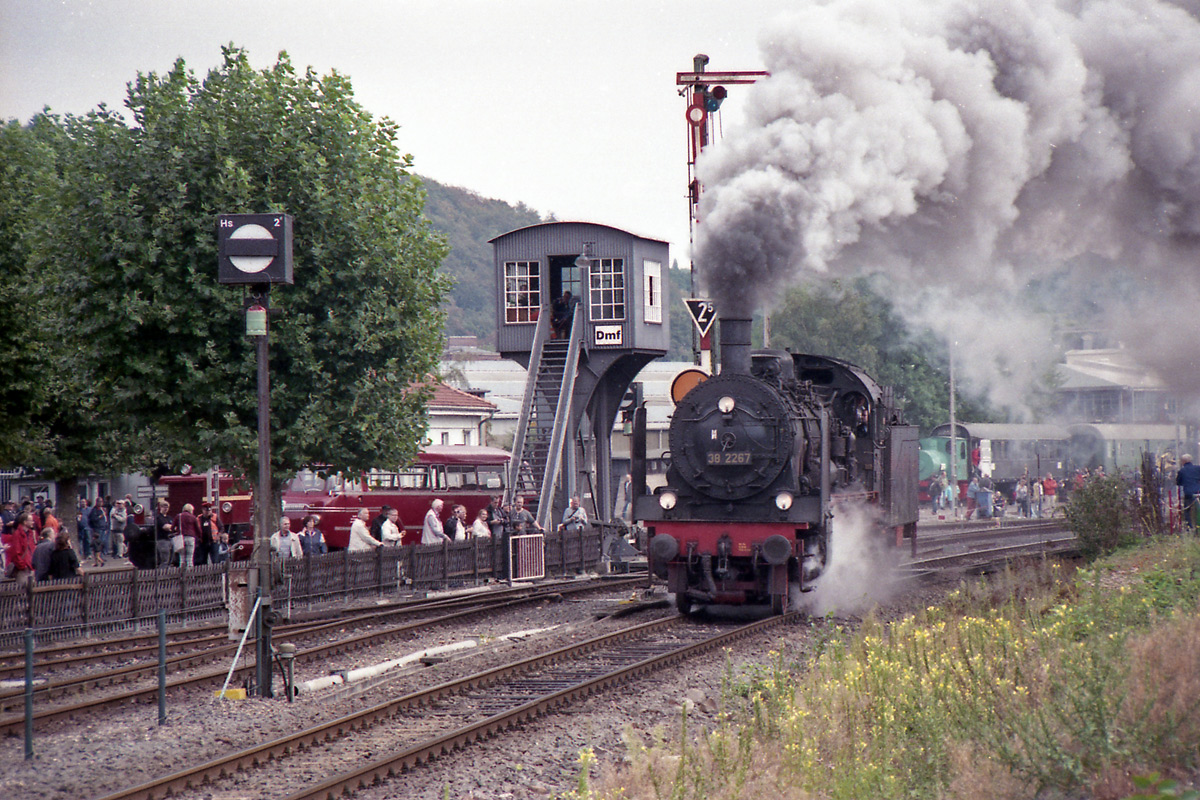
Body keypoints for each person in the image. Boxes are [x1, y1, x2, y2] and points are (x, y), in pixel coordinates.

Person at [5, 512, 37, 587]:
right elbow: (16, 552)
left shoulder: (30, 533)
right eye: (31, 520)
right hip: (23, 568)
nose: (33, 522)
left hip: (30, 566)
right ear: (25, 522)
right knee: (23, 589)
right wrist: (23, 566)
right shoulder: (17, 534)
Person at [1177, 454, 1200, 531]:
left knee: (1187, 510)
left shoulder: (1181, 471)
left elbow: (1178, 482)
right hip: (1198, 491)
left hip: (1188, 493)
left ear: (1183, 461)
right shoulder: (1198, 468)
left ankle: (1189, 527)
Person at [177, 503, 201, 569]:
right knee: (189, 559)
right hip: (190, 538)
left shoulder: (179, 516)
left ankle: (181, 575)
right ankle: (190, 576)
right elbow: (198, 529)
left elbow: (173, 527)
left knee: (182, 558)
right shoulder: (193, 517)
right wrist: (199, 537)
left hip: (181, 538)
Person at [153, 500, 175, 568]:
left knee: (170, 560)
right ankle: (162, 576)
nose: (165, 508)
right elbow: (165, 527)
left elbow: (174, 527)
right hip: (162, 540)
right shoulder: (158, 517)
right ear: (160, 507)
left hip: (171, 540)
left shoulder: (169, 518)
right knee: (164, 560)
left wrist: (171, 527)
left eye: (167, 507)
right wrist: (172, 527)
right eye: (163, 506)